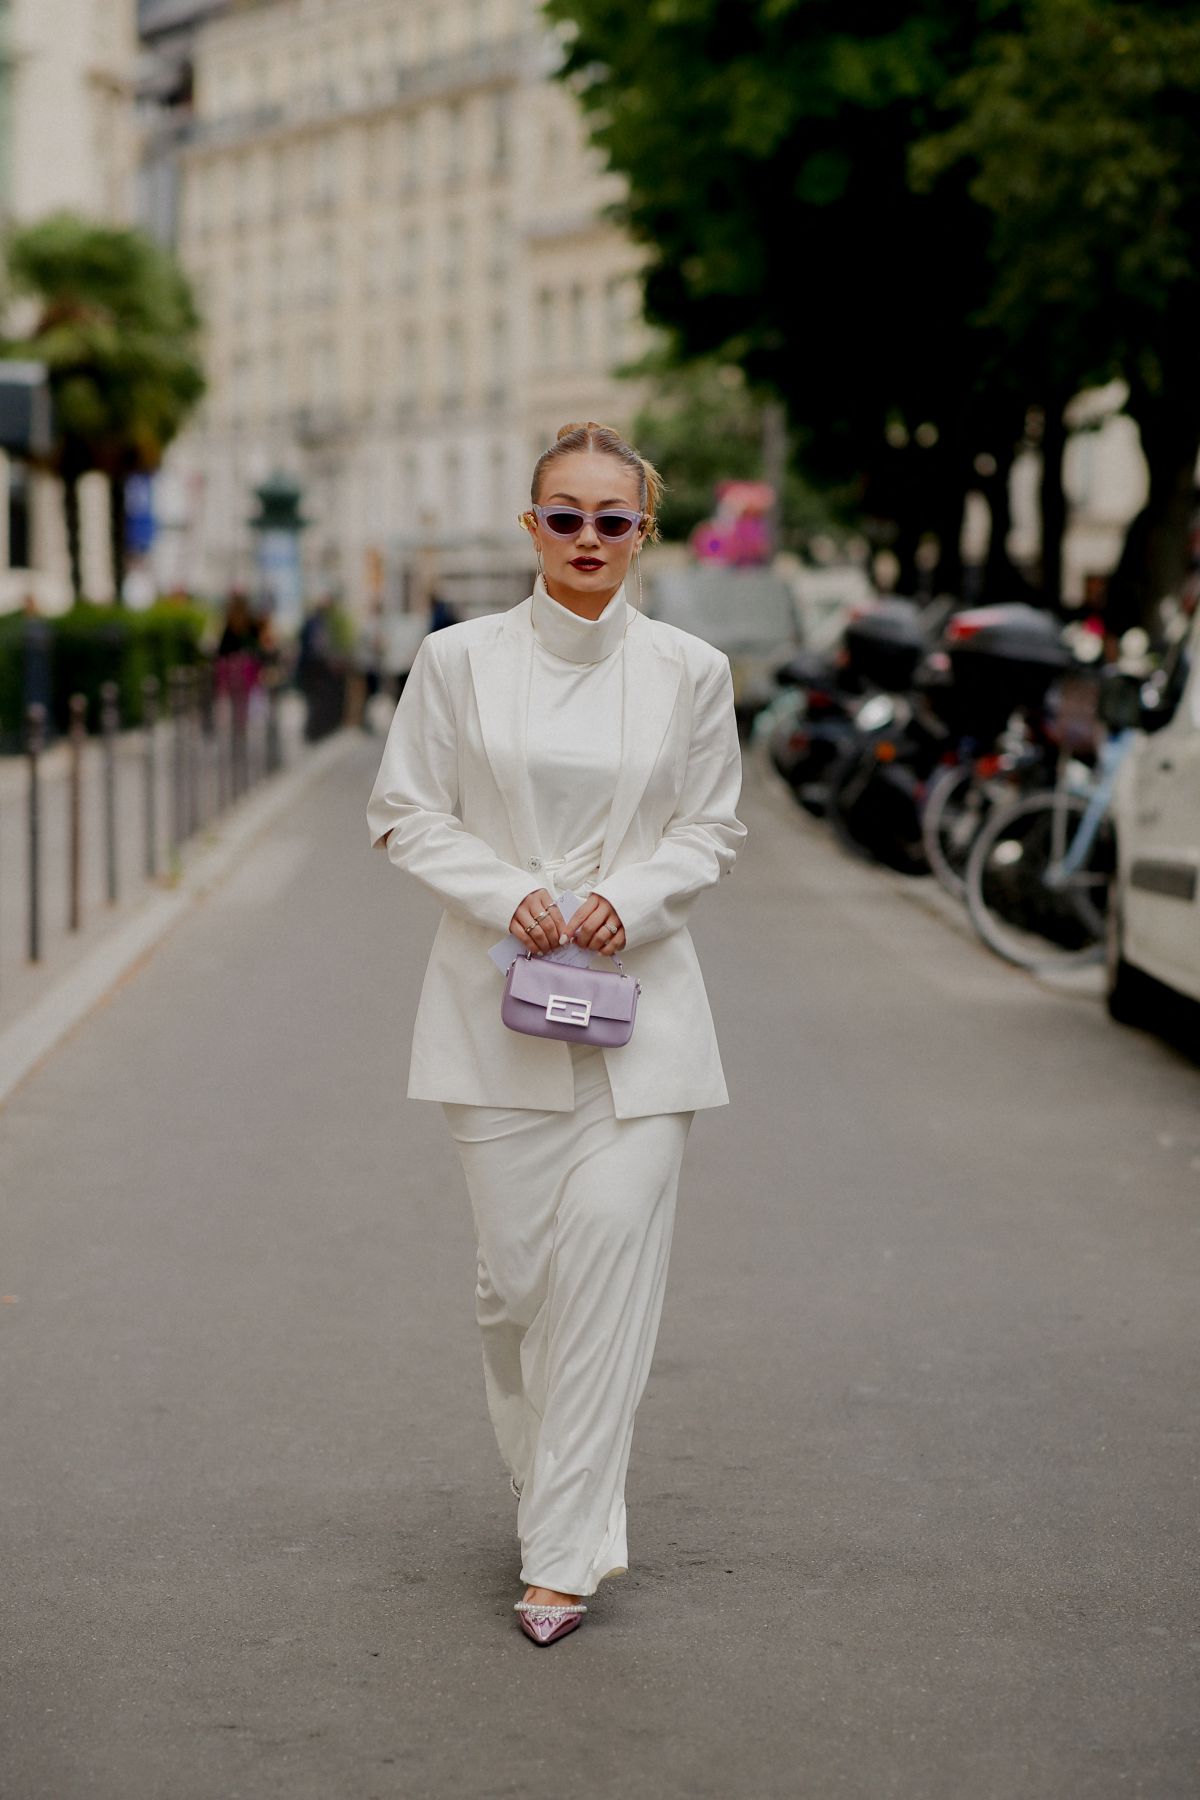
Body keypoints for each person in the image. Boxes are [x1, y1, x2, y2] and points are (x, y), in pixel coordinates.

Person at [365, 420, 747, 1647]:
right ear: (530, 527)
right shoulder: (458, 662)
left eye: (613, 519)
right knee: (520, 1288)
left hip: (646, 1026)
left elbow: (711, 828)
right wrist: (504, 892)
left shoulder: (692, 669)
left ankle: (565, 1555)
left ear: (646, 529)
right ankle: (558, 1487)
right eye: (566, 517)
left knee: (607, 1277)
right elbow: (405, 811)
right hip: (495, 1016)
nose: (590, 539)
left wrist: (617, 905)